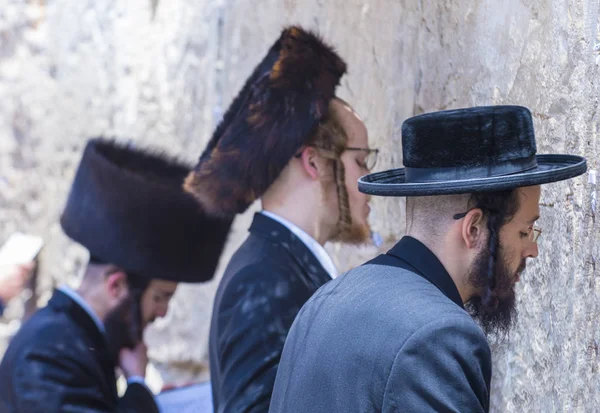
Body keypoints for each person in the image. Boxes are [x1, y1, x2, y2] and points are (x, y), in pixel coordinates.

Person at [269, 105, 587, 413]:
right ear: (473, 228)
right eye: (524, 231)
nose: (533, 250)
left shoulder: (321, 302)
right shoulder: (438, 336)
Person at [184, 26, 377, 413]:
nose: (369, 181)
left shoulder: (282, 267)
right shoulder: (264, 280)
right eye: (361, 160)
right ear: (314, 162)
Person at [0, 138, 232, 413]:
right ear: (116, 284)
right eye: (160, 297)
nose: (162, 312)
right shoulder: (48, 354)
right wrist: (137, 386)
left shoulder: (70, 338)